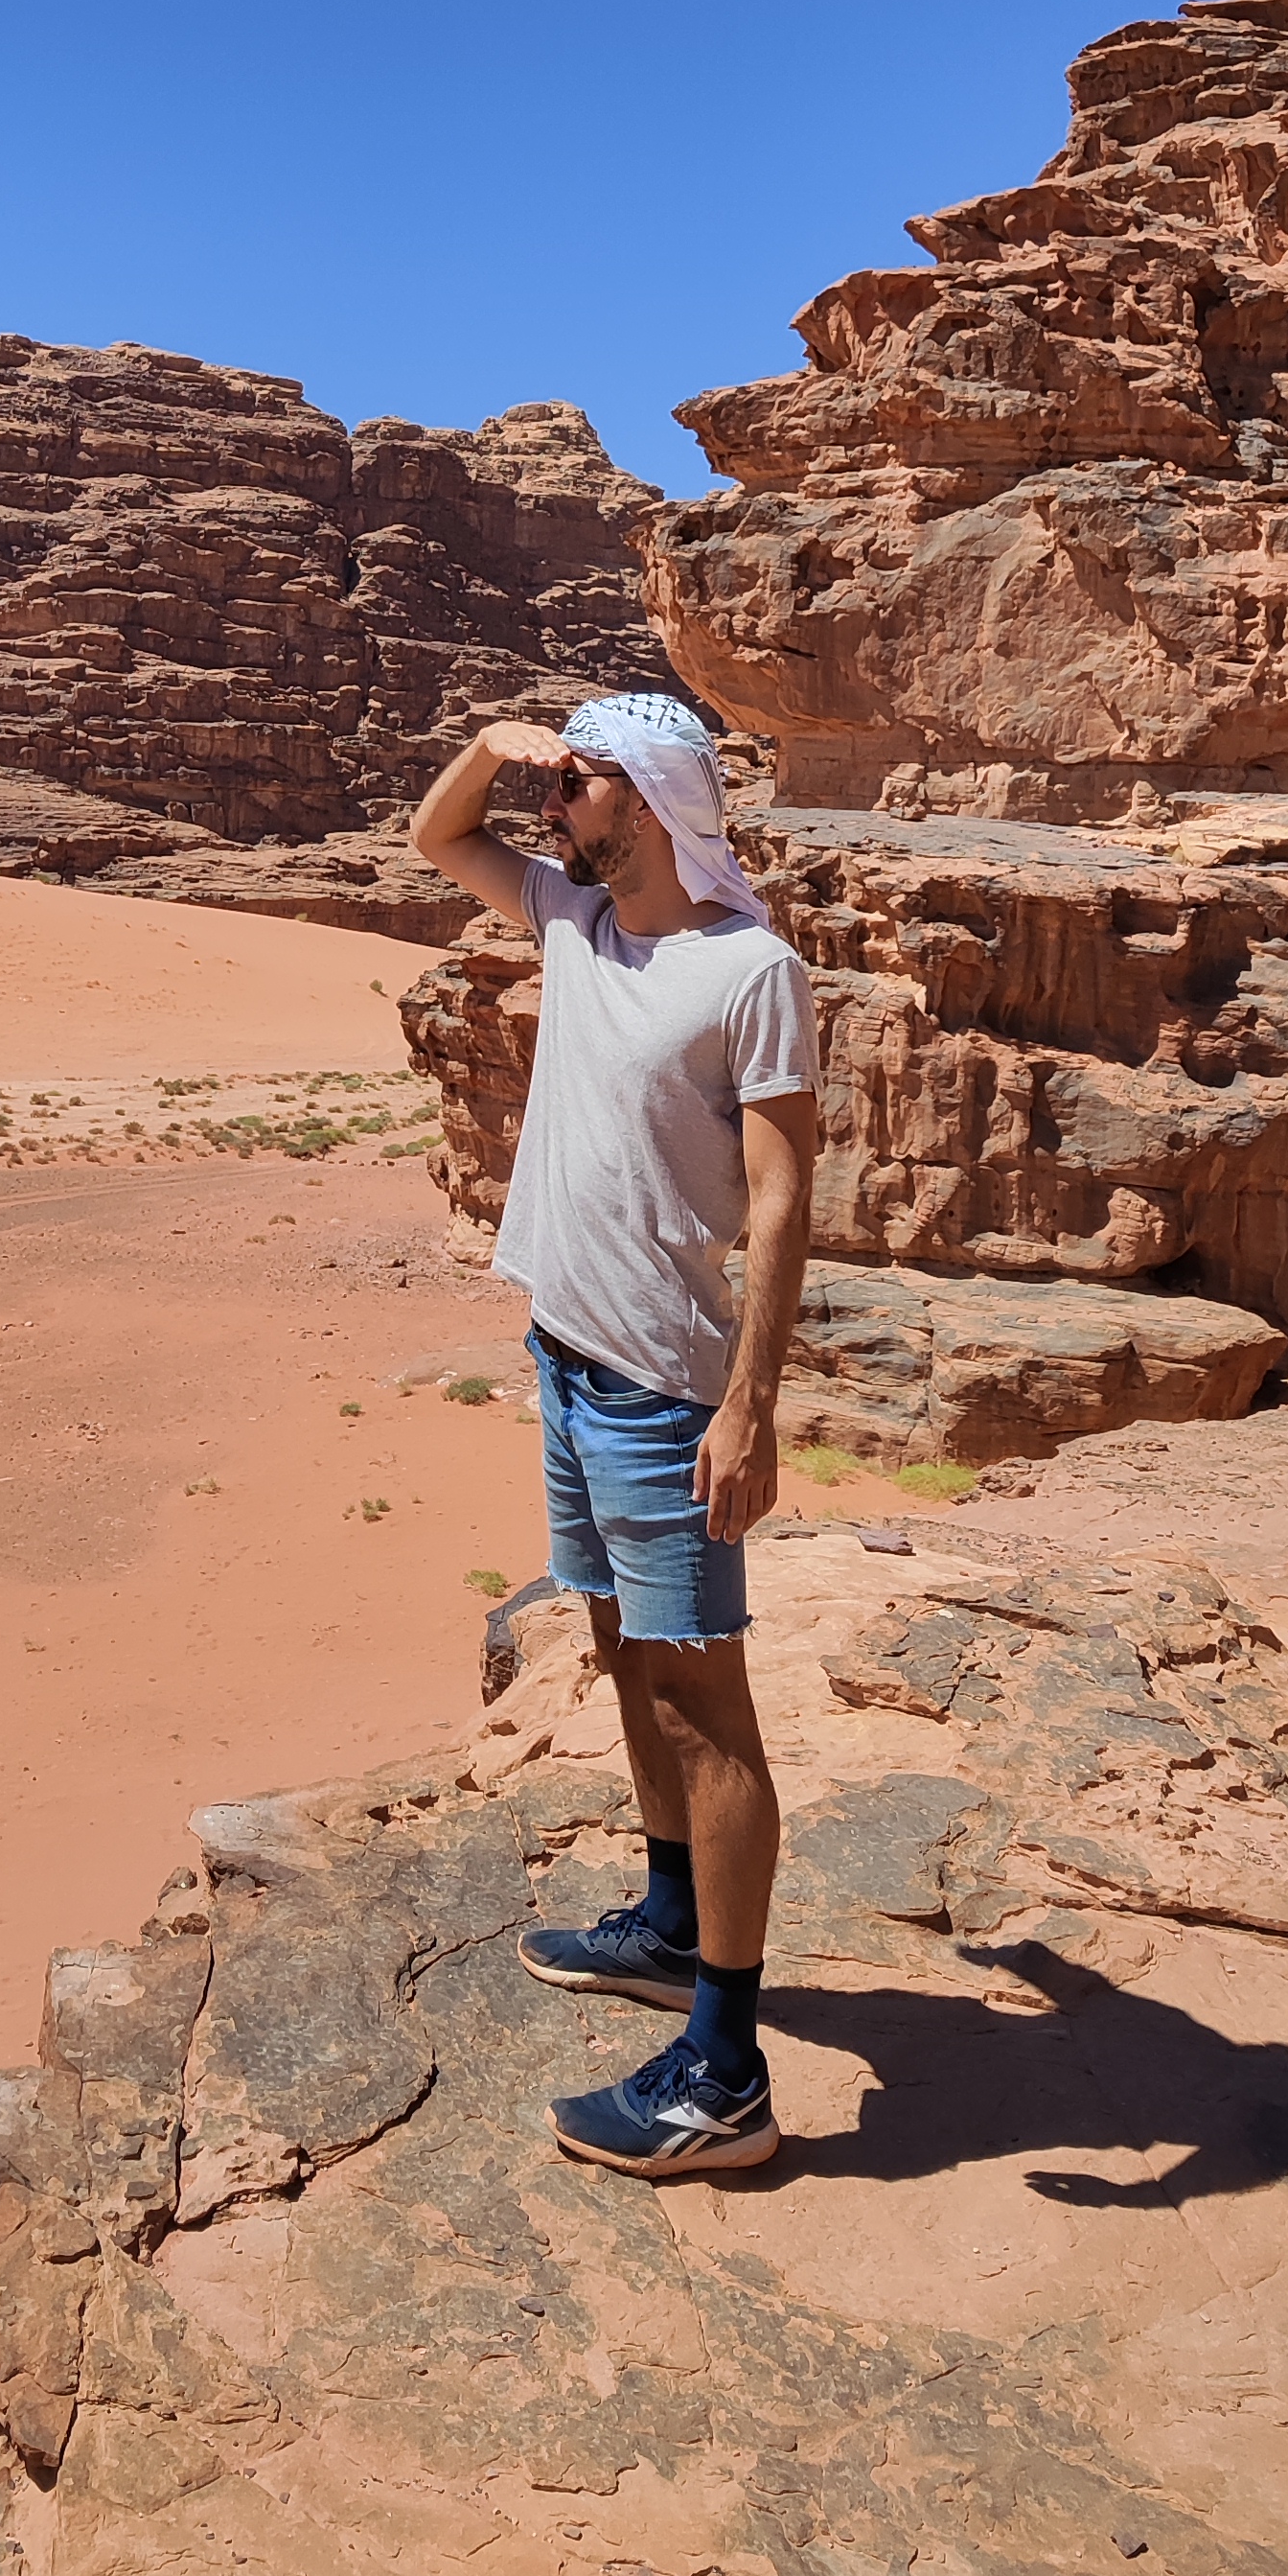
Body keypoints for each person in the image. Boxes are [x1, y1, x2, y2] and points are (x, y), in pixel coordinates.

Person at [408, 691, 818, 2181]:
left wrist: (749, 1408)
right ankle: (662, 1921)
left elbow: (779, 1202)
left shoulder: (750, 971)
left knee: (708, 1707)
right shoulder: (572, 920)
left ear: (644, 797)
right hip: (568, 1356)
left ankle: (727, 2070)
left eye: (581, 779)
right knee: (621, 1653)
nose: (556, 799)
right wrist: (502, 742)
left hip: (664, 1386)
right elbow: (433, 830)